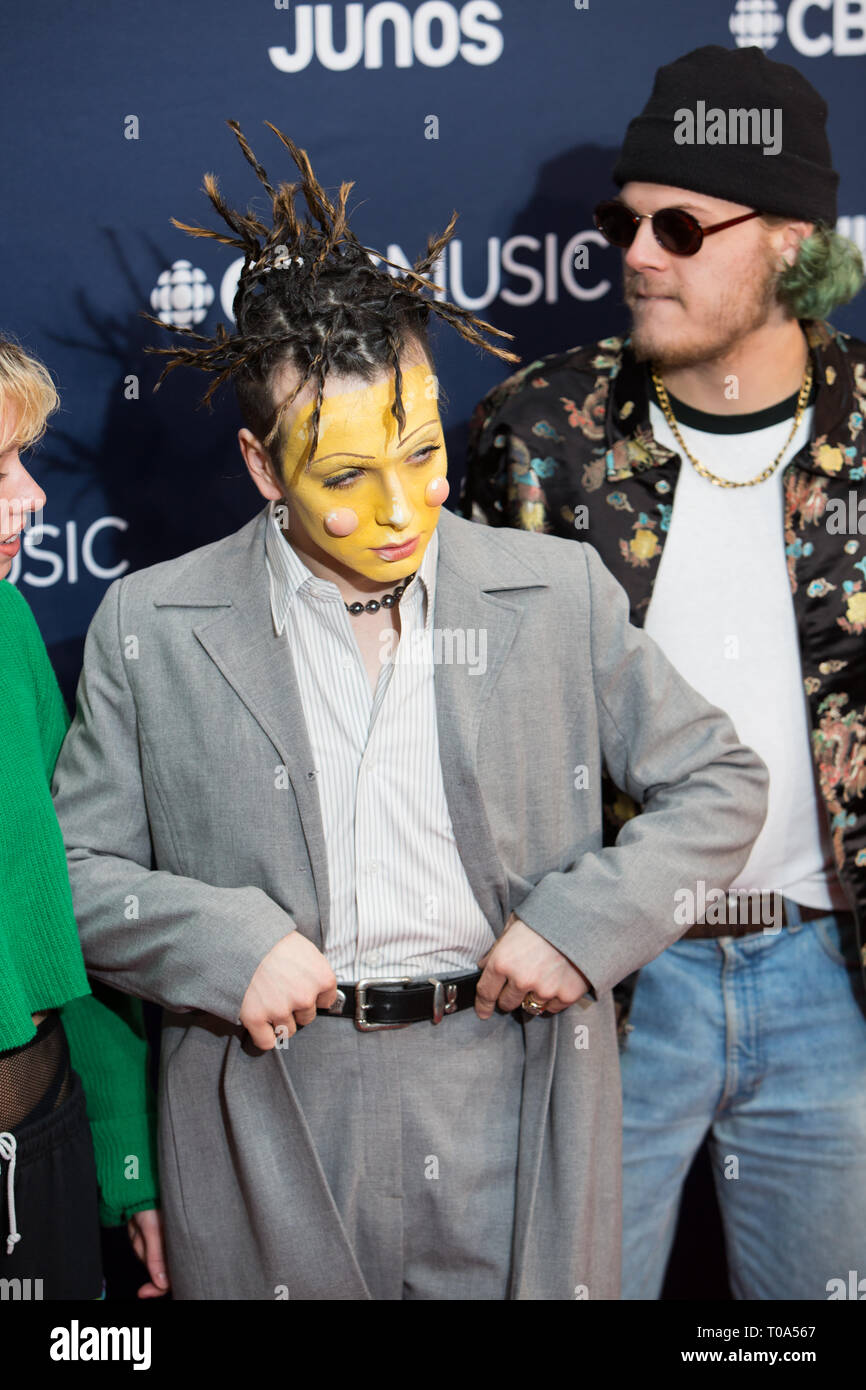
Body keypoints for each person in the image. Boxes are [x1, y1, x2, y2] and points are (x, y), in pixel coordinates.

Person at [51, 120, 767, 1300]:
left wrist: (585, 923)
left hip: (516, 1084)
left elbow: (719, 781)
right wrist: (219, 941)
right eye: (343, 476)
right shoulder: (150, 624)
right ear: (261, 467)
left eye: (422, 452)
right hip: (269, 1102)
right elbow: (69, 871)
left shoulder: (550, 590)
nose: (401, 509)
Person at [461, 44, 866, 1301]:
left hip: (828, 986)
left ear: (791, 246)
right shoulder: (533, 437)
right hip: (606, 984)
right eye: (624, 222)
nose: (638, 254)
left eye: (681, 226)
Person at [0, 337, 166, 1298]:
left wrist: (127, 1156)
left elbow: (69, 896)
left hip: (44, 1145)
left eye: (24, 461)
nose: (31, 499)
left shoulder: (8, 628)